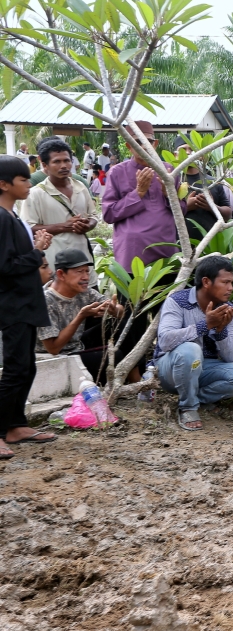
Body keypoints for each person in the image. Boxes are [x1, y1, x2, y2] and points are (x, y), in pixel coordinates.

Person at [153, 257, 233, 431]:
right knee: (190, 350)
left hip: (204, 367)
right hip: (169, 370)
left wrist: (220, 330)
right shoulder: (177, 301)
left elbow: (231, 357)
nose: (231, 288)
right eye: (225, 282)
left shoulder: (229, 309)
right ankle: (188, 407)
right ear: (206, 282)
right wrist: (205, 325)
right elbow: (164, 341)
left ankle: (196, 398)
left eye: (231, 282)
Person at [0, 155, 55, 459]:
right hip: (13, 303)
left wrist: (35, 247)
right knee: (15, 368)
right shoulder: (1, 217)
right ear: (4, 184)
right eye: (23, 180)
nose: (29, 185)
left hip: (25, 301)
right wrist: (37, 252)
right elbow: (5, 266)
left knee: (26, 366)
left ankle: (15, 425)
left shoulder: (13, 216)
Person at [36, 249, 142, 383]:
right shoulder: (44, 300)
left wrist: (115, 310)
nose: (86, 277)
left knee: (119, 326)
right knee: (115, 356)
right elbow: (53, 348)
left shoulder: (84, 291)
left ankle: (137, 382)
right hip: (56, 357)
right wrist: (81, 316)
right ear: (61, 274)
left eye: (87, 271)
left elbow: (120, 310)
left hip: (78, 346)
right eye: (79, 272)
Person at [101, 120, 185, 267]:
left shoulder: (168, 171)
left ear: (155, 144)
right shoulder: (117, 172)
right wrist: (138, 193)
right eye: (138, 142)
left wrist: (169, 194)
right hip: (133, 252)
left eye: (148, 141)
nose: (144, 146)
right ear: (129, 146)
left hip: (166, 250)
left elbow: (182, 210)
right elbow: (109, 214)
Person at [22, 138, 98, 286]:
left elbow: (93, 216)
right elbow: (28, 229)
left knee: (91, 299)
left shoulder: (81, 187)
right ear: (45, 165)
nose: (63, 165)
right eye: (56, 161)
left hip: (84, 264)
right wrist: (64, 226)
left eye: (66, 160)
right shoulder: (36, 194)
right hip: (55, 267)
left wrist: (88, 225)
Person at [178, 145, 232, 240]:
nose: (187, 152)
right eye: (183, 150)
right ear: (176, 155)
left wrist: (212, 206)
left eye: (192, 149)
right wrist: (186, 207)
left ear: (201, 156)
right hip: (180, 242)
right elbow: (163, 214)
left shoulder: (214, 182)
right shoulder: (172, 182)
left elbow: (228, 216)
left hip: (211, 243)